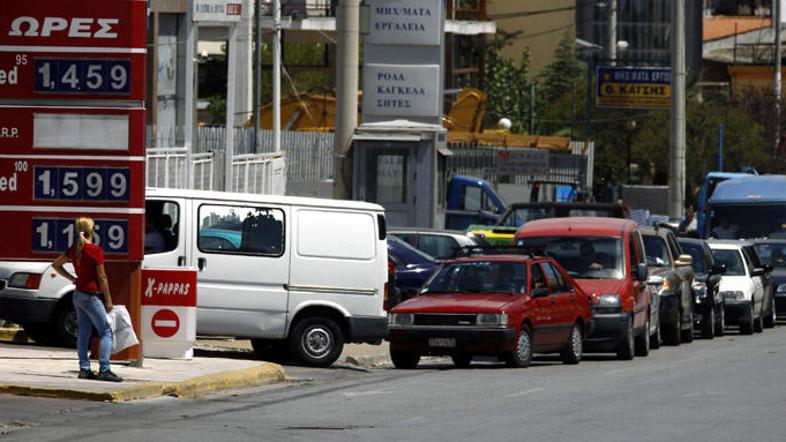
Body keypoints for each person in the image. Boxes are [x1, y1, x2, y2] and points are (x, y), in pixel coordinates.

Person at [52, 217, 123, 382]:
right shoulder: (95, 250)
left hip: (78, 295)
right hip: (91, 296)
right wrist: (109, 300)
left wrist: (72, 278)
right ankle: (104, 369)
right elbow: (102, 277)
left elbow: (56, 265)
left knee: (84, 333)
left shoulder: (75, 249)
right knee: (106, 331)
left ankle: (84, 368)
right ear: (92, 230)